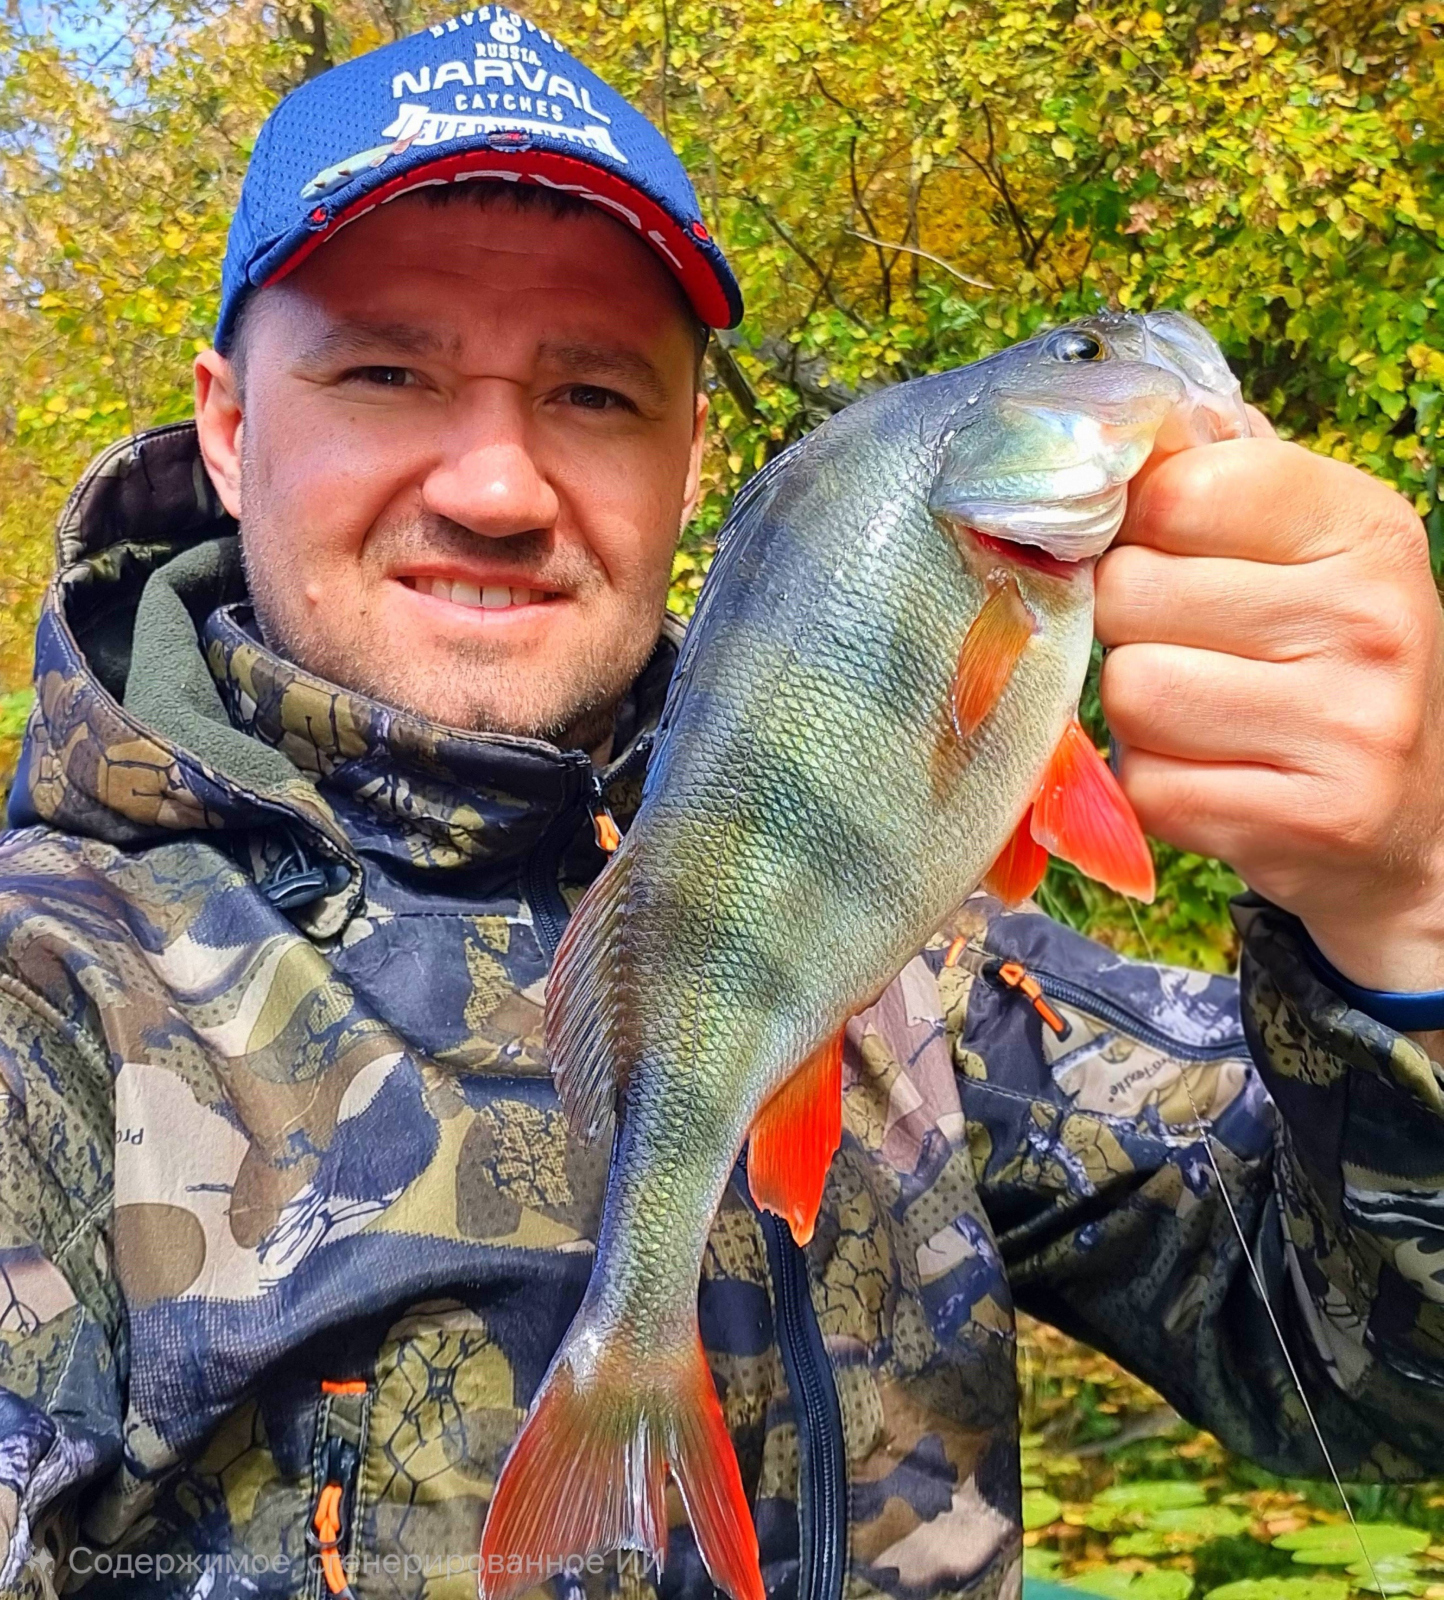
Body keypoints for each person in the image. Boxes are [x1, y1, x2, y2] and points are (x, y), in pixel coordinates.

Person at [2, 10, 1443, 1600]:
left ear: (692, 462)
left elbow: (1379, 1372)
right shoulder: (45, 998)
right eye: (388, 372)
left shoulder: (919, 957)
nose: (495, 489)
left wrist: (1400, 910)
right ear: (228, 429)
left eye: (595, 394)